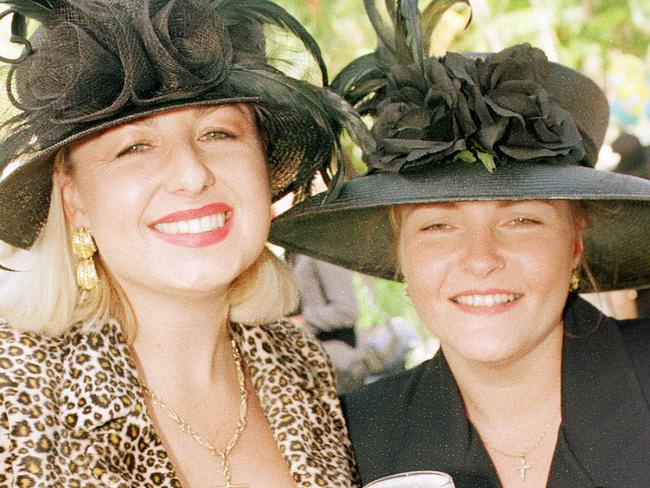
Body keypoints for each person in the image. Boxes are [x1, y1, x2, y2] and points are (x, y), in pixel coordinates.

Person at [270, 2, 650, 487]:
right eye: (437, 227)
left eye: (521, 220)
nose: (480, 259)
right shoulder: (349, 441)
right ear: (399, 252)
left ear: (576, 241)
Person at [0, 0, 361, 486]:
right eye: (134, 147)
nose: (191, 175)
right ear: (74, 199)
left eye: (218, 133)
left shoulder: (300, 366)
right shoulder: (12, 387)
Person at [289, 253, 366, 393]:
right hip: (312, 363)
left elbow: (346, 311)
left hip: (337, 363)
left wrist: (301, 321)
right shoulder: (293, 254)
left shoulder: (321, 252)